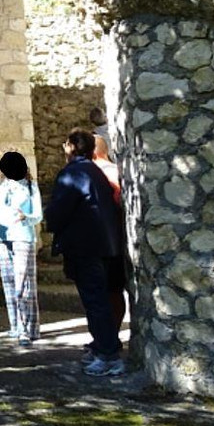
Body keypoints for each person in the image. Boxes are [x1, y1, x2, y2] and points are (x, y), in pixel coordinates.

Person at [45, 128, 123, 377]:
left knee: (95, 301)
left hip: (84, 247)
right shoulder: (95, 172)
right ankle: (105, 347)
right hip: (104, 244)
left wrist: (53, 224)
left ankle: (108, 355)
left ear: (71, 147)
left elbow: (59, 212)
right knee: (99, 299)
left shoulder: (72, 173)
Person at [0, 150, 43, 346]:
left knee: (24, 284)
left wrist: (26, 217)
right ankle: (15, 326)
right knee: (9, 282)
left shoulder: (30, 186)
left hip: (23, 237)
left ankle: (28, 328)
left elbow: (38, 215)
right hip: (3, 237)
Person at [94, 134, 127, 335]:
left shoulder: (100, 174)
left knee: (108, 292)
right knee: (114, 291)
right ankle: (110, 334)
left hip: (104, 240)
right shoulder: (117, 171)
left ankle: (108, 337)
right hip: (115, 238)